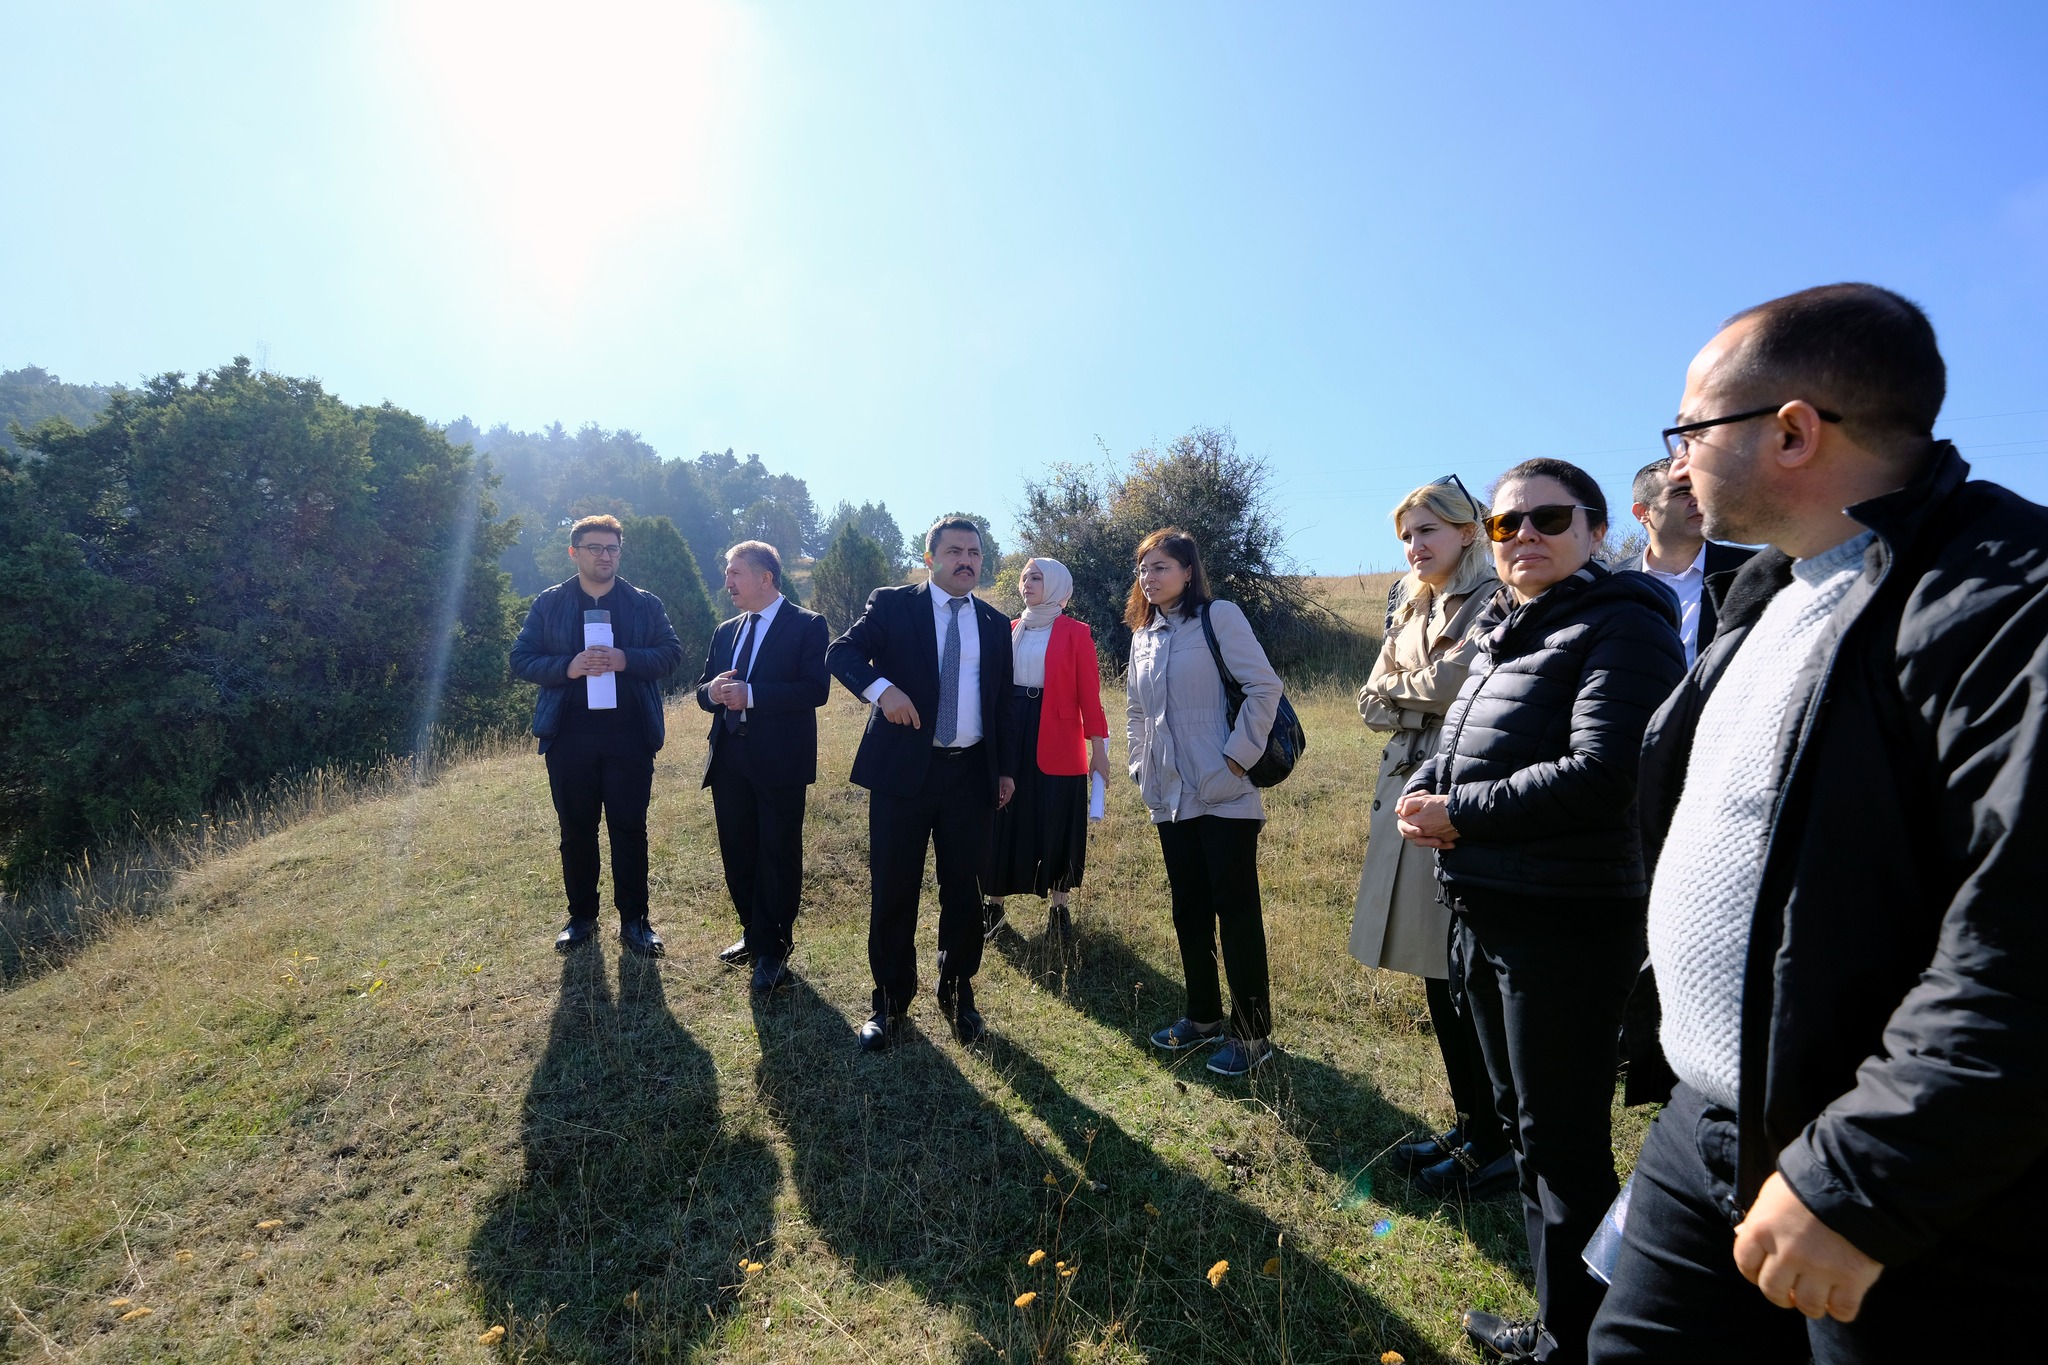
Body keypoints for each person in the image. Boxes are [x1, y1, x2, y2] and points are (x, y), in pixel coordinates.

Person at [1588, 285, 2048, 1364]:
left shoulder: (2002, 604)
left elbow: (2022, 941)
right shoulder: (1770, 594)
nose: (1672, 462)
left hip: (1905, 1193)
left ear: (1792, 430)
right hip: (1702, 1130)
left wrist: (1860, 1181)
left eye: (1689, 428)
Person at [1396, 462, 1685, 1364]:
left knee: (1564, 1149)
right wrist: (1422, 786)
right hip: (1488, 905)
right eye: (1504, 522)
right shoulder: (1507, 627)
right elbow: (1462, 741)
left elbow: (1606, 774)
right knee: (1528, 1130)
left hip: (1565, 921)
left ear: (1598, 531)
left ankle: (1582, 1342)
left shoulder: (1626, 625)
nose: (1521, 534)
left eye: (1546, 518)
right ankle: (1562, 1322)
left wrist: (1458, 814)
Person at [1351, 475, 1512, 1200]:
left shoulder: (1493, 596)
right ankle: (1470, 1121)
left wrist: (1401, 689)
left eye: (1428, 532)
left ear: (1467, 532)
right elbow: (1367, 697)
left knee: (1463, 974)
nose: (1415, 547)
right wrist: (1407, 688)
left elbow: (1453, 683)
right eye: (1407, 536)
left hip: (1455, 797)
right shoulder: (1411, 604)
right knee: (1432, 971)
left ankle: (1495, 1139)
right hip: (1405, 797)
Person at [825, 516, 1017, 1049]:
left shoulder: (996, 623)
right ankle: (889, 1001)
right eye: (955, 550)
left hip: (970, 775)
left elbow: (1003, 703)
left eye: (975, 553)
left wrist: (1004, 770)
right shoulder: (893, 604)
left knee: (965, 890)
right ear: (930, 558)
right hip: (903, 774)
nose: (967, 560)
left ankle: (957, 993)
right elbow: (839, 652)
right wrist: (882, 690)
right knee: (894, 888)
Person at [1126, 528, 1286, 1078]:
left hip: (1224, 792)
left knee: (1236, 910)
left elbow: (1265, 687)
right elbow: (1136, 712)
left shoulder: (1220, 617)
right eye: (1144, 569)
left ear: (1188, 571)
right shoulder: (1142, 634)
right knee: (1188, 907)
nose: (1150, 578)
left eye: (1162, 567)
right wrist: (1137, 765)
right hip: (1169, 793)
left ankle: (1252, 1033)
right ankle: (1202, 1016)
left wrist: (1236, 761)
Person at [510, 514, 685, 958]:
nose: (604, 556)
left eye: (612, 548)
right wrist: (568, 667)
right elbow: (521, 659)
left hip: (630, 736)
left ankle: (635, 921)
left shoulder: (644, 603)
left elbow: (671, 654)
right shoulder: (549, 603)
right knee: (576, 830)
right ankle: (582, 917)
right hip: (569, 737)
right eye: (595, 548)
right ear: (574, 552)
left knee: (630, 828)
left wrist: (625, 659)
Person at [694, 540, 830, 993]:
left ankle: (774, 950)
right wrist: (712, 692)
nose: (727, 582)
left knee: (777, 852)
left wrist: (752, 695)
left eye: (735, 572)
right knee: (738, 849)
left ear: (765, 577)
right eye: (727, 573)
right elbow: (702, 690)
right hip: (729, 757)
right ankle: (752, 933)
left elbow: (815, 689)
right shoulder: (724, 630)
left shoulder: (807, 625)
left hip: (780, 761)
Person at [983, 557, 1113, 942]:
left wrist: (1099, 750)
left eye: (1036, 577)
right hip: (1011, 731)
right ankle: (993, 906)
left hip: (1057, 738)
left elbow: (1090, 696)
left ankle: (1059, 909)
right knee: (1004, 814)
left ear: (1056, 585)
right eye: (1024, 578)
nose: (1027, 583)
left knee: (1057, 818)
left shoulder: (1076, 633)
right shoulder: (1008, 629)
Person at [1628, 456, 1757, 665]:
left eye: (1701, 490)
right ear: (1643, 512)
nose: (1698, 500)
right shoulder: (1609, 582)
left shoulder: (1752, 570)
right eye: (1681, 493)